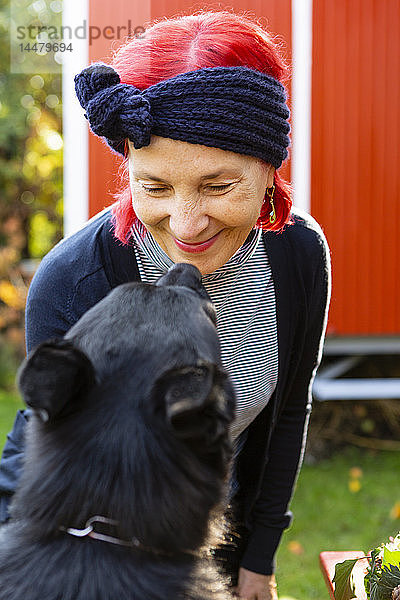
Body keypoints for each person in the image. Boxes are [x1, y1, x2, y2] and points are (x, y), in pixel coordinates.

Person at [0, 10, 331, 600]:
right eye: (153, 187)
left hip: (212, 544)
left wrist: (258, 557)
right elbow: (45, 444)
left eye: (217, 186)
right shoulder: (76, 282)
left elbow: (287, 412)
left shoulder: (298, 257)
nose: (186, 224)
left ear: (268, 168)